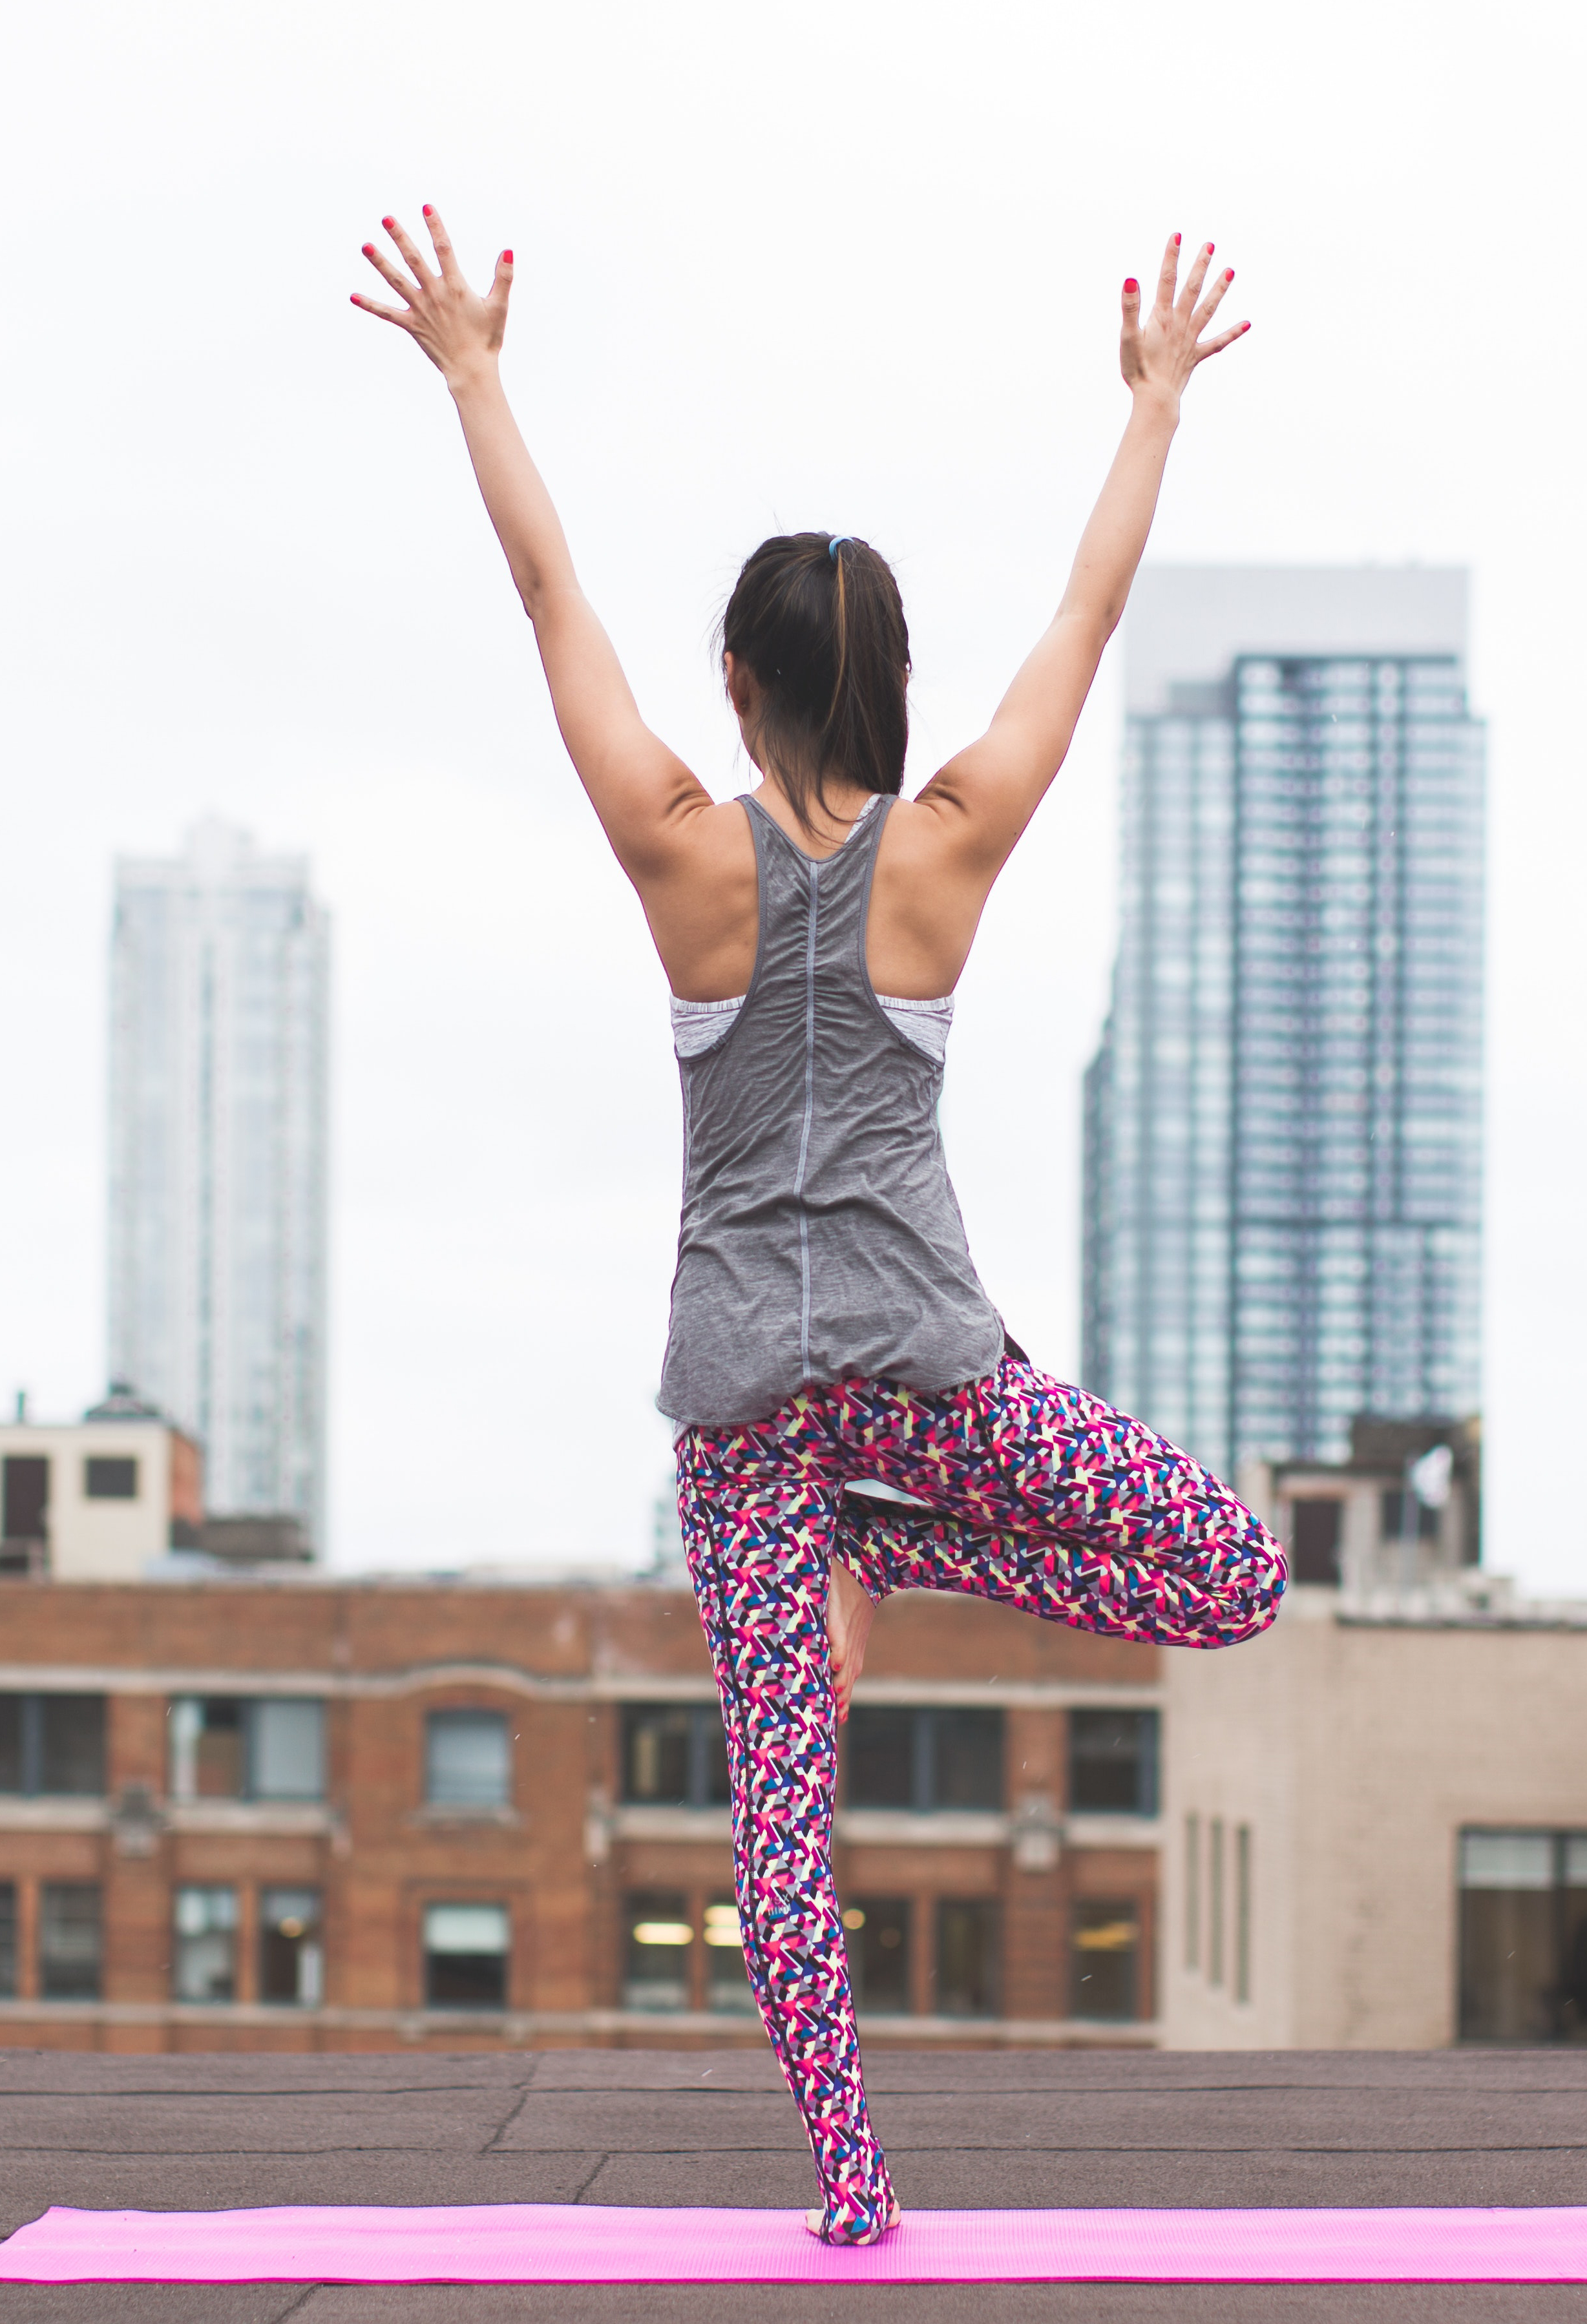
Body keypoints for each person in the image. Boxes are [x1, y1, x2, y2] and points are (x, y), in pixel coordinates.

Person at [353, 209, 1288, 2246]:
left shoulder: (680, 851)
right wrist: (1153, 407)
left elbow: (542, 594)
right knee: (1236, 1578)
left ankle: (852, 2204)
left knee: (780, 1829)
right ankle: (907, 1553)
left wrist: (475, 375)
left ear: (739, 682)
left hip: (750, 1421)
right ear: (890, 692)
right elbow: (1086, 621)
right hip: (932, 1381)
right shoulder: (948, 847)